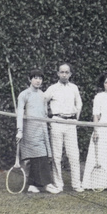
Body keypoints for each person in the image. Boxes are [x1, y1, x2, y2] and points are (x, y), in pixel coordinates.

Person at [16, 69, 59, 194]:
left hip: (42, 129)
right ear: (30, 79)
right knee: (38, 157)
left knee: (41, 156)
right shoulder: (24, 94)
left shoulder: (43, 95)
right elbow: (19, 113)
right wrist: (19, 130)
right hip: (29, 130)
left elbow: (44, 113)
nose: (38, 80)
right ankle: (47, 184)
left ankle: (32, 185)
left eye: (40, 78)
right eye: (35, 78)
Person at [43, 63, 83, 193]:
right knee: (57, 156)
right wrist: (48, 118)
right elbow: (43, 101)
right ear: (58, 74)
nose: (64, 74)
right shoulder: (52, 88)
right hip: (57, 122)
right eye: (62, 72)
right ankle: (58, 184)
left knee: (74, 155)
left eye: (67, 72)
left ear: (70, 74)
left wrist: (76, 119)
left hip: (71, 123)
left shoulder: (74, 88)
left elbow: (79, 103)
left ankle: (76, 184)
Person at [81, 72, 107, 190]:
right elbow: (96, 115)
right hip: (102, 127)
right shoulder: (99, 97)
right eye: (106, 82)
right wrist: (96, 130)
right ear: (103, 84)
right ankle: (96, 183)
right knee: (100, 153)